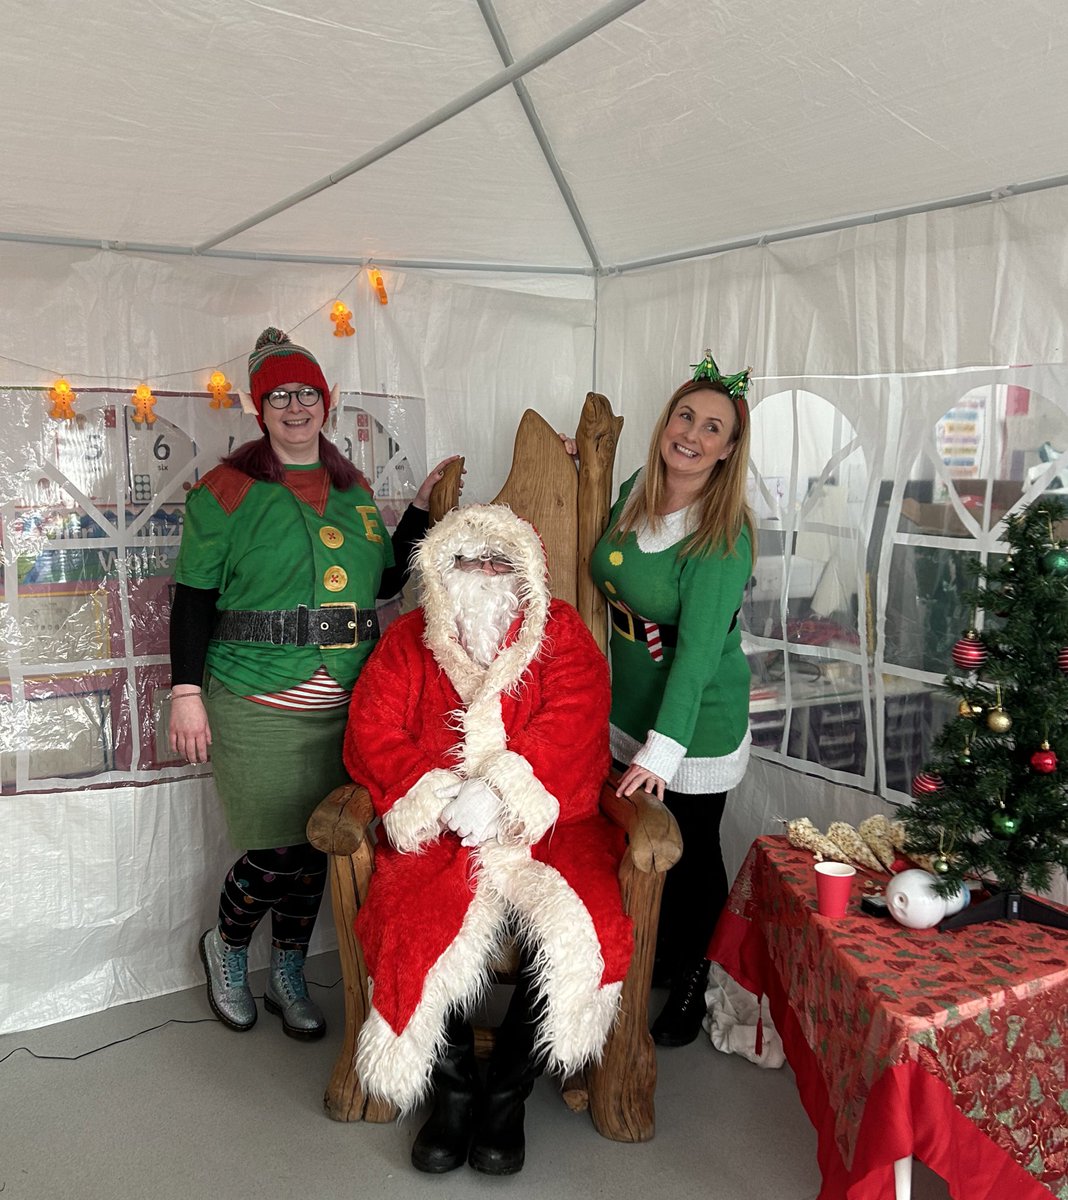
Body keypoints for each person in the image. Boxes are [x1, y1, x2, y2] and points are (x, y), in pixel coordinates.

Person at [169, 325, 456, 1041]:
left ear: (325, 404)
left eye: (308, 394)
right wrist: (185, 693)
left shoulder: (355, 493)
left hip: (346, 706)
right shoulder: (224, 493)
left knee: (319, 847)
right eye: (280, 396)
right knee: (276, 849)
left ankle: (290, 968)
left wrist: (418, 511)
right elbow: (194, 599)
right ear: (260, 409)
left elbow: (386, 580)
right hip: (256, 698)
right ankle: (228, 948)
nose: (296, 407)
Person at [343, 503, 633, 1176]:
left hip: (549, 827)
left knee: (582, 925)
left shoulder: (562, 635)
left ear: (527, 571)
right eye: (468, 560)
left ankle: (507, 1088)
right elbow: (372, 726)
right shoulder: (407, 640)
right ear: (441, 568)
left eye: (500, 561)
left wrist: (505, 786)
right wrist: (433, 791)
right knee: (406, 919)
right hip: (441, 826)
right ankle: (449, 1090)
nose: (484, 573)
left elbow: (578, 721)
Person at [589, 350, 754, 1048]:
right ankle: (654, 954)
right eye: (685, 415)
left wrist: (663, 751)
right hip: (630, 699)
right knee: (636, 841)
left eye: (712, 427)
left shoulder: (721, 537)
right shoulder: (636, 488)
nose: (692, 433)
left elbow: (693, 661)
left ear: (728, 450)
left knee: (689, 854)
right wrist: (578, 466)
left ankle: (694, 978)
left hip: (694, 718)